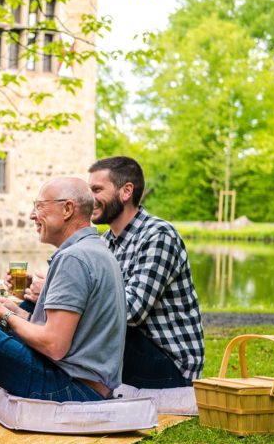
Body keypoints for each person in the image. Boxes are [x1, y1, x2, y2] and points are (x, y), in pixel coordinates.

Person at [0, 178, 126, 402]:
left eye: (39, 206)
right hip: (88, 382)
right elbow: (65, 331)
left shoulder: (74, 258)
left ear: (67, 209)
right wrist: (13, 312)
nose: (33, 215)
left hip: (71, 387)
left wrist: (4, 316)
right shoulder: (93, 249)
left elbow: (54, 345)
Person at [88, 156, 205, 387]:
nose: (88, 198)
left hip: (171, 367)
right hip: (136, 351)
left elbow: (131, 312)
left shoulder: (158, 235)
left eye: (97, 189)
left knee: (81, 324)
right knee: (57, 315)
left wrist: (73, 299)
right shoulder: (106, 242)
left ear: (126, 191)